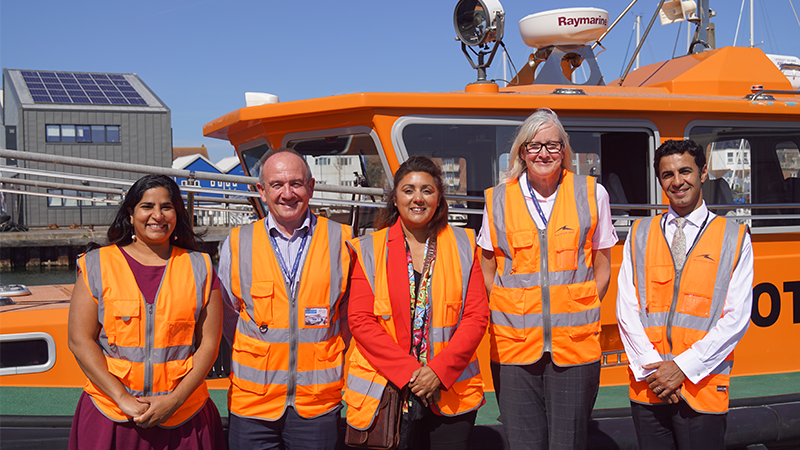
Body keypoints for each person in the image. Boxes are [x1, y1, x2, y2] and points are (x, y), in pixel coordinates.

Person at [478, 108, 618, 450]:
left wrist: (574, 308)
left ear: (564, 150)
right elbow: (487, 267)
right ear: (522, 151)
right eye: (534, 146)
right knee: (523, 443)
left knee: (569, 443)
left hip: (575, 347)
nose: (543, 154)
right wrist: (512, 310)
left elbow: (602, 269)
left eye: (553, 146)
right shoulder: (497, 198)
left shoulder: (592, 194)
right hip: (513, 348)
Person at [68, 174, 225, 449]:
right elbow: (80, 340)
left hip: (185, 415)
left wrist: (174, 400)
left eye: (166, 207)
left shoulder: (201, 267)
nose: (157, 215)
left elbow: (209, 344)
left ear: (177, 214)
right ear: (130, 213)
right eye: (147, 206)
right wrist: (121, 397)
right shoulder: (97, 265)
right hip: (112, 413)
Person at [616, 139, 753, 449]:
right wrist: (655, 369)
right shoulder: (639, 234)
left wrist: (682, 368)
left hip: (701, 386)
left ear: (703, 173)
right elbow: (627, 309)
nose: (677, 182)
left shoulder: (734, 237)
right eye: (668, 175)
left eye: (685, 171)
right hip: (649, 384)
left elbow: (737, 318)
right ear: (659, 180)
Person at [346, 156, 489, 450]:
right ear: (395, 197)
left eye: (427, 190)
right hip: (387, 393)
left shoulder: (465, 245)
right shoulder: (370, 249)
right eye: (408, 190)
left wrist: (438, 372)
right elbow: (361, 320)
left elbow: (475, 317)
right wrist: (411, 374)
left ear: (438, 198)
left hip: (450, 392)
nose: (417, 198)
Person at [218, 148, 352, 450]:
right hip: (252, 403)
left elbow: (349, 316)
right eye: (277, 184)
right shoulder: (238, 242)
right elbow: (228, 314)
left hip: (317, 402)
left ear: (312, 187)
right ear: (261, 191)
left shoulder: (343, 239)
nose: (287, 193)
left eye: (296, 183)